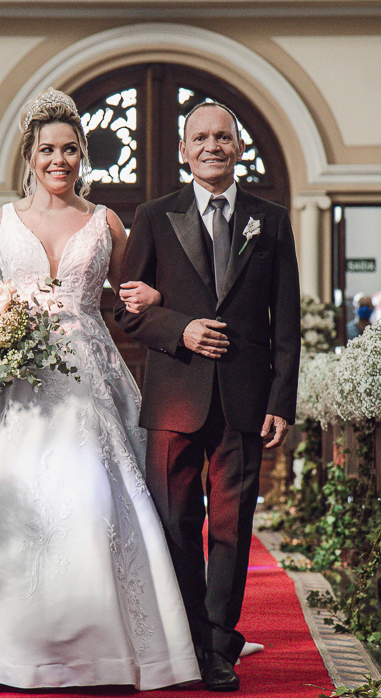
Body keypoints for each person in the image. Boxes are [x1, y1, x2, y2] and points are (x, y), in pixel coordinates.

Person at [0, 89, 199, 690]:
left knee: (94, 500)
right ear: (30, 156)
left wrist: (154, 299)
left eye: (71, 149)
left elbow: (135, 292)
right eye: (48, 149)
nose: (60, 159)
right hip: (14, 377)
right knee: (1, 502)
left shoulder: (107, 223)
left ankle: (98, 641)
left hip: (88, 376)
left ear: (83, 155)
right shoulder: (1, 221)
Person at [114, 101, 301, 691]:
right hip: (174, 396)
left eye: (224, 137)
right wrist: (180, 328)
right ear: (183, 149)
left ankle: (218, 644)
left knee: (231, 525)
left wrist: (281, 399)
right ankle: (185, 638)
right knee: (174, 521)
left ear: (239, 147)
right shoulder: (152, 215)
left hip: (244, 398)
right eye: (201, 137)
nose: (212, 146)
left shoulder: (267, 220)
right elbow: (124, 309)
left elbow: (287, 318)